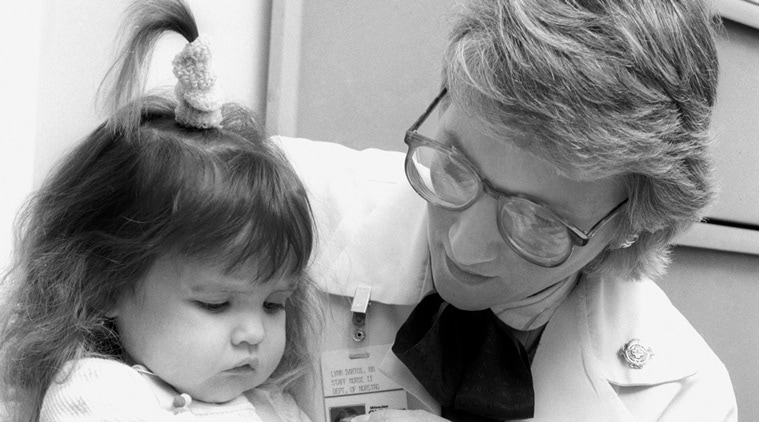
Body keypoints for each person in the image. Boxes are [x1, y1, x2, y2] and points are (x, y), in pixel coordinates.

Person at [274, 0, 738, 420]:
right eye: (455, 167)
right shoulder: (284, 202)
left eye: (538, 221)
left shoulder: (686, 398)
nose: (463, 247)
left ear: (630, 226)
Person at [0, 1, 317, 421]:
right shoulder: (95, 393)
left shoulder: (273, 404)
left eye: (274, 304)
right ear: (106, 285)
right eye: (216, 304)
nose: (254, 333)